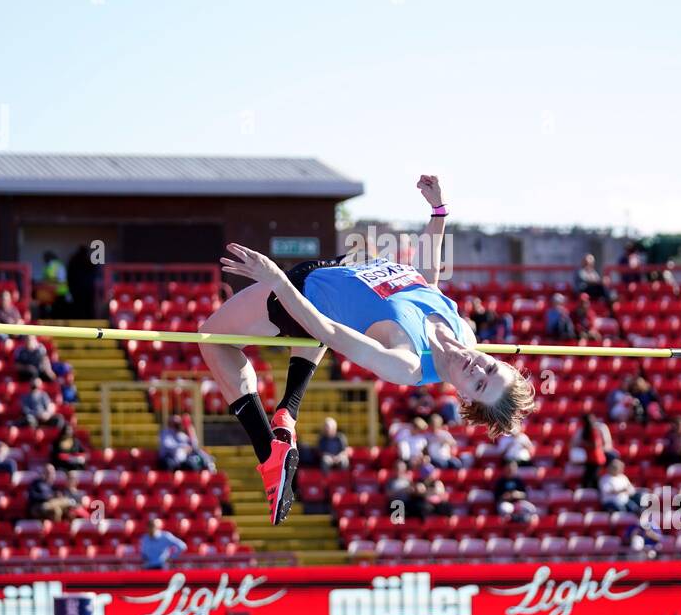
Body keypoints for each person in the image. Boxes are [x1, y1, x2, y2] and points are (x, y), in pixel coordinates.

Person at [203, 174, 535, 526]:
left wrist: (277, 281)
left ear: (465, 399)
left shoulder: (407, 364)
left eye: (480, 385)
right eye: (491, 369)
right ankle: (287, 413)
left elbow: (328, 331)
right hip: (342, 266)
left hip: (303, 293)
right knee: (323, 324)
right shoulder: (465, 334)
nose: (477, 370)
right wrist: (439, 213)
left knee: (212, 338)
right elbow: (426, 282)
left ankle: (267, 447)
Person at [571, 413, 619, 489]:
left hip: (595, 457)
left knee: (592, 475)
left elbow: (595, 444)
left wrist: (585, 445)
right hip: (592, 457)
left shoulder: (594, 430)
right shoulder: (586, 430)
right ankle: (589, 488)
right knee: (590, 474)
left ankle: (591, 488)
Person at [67, 245, 98, 320]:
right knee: (88, 307)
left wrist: (71, 287)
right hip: (87, 288)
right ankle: (90, 321)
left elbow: (70, 275)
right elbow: (94, 272)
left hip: (77, 288)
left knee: (78, 306)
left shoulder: (74, 260)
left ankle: (79, 320)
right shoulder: (89, 261)